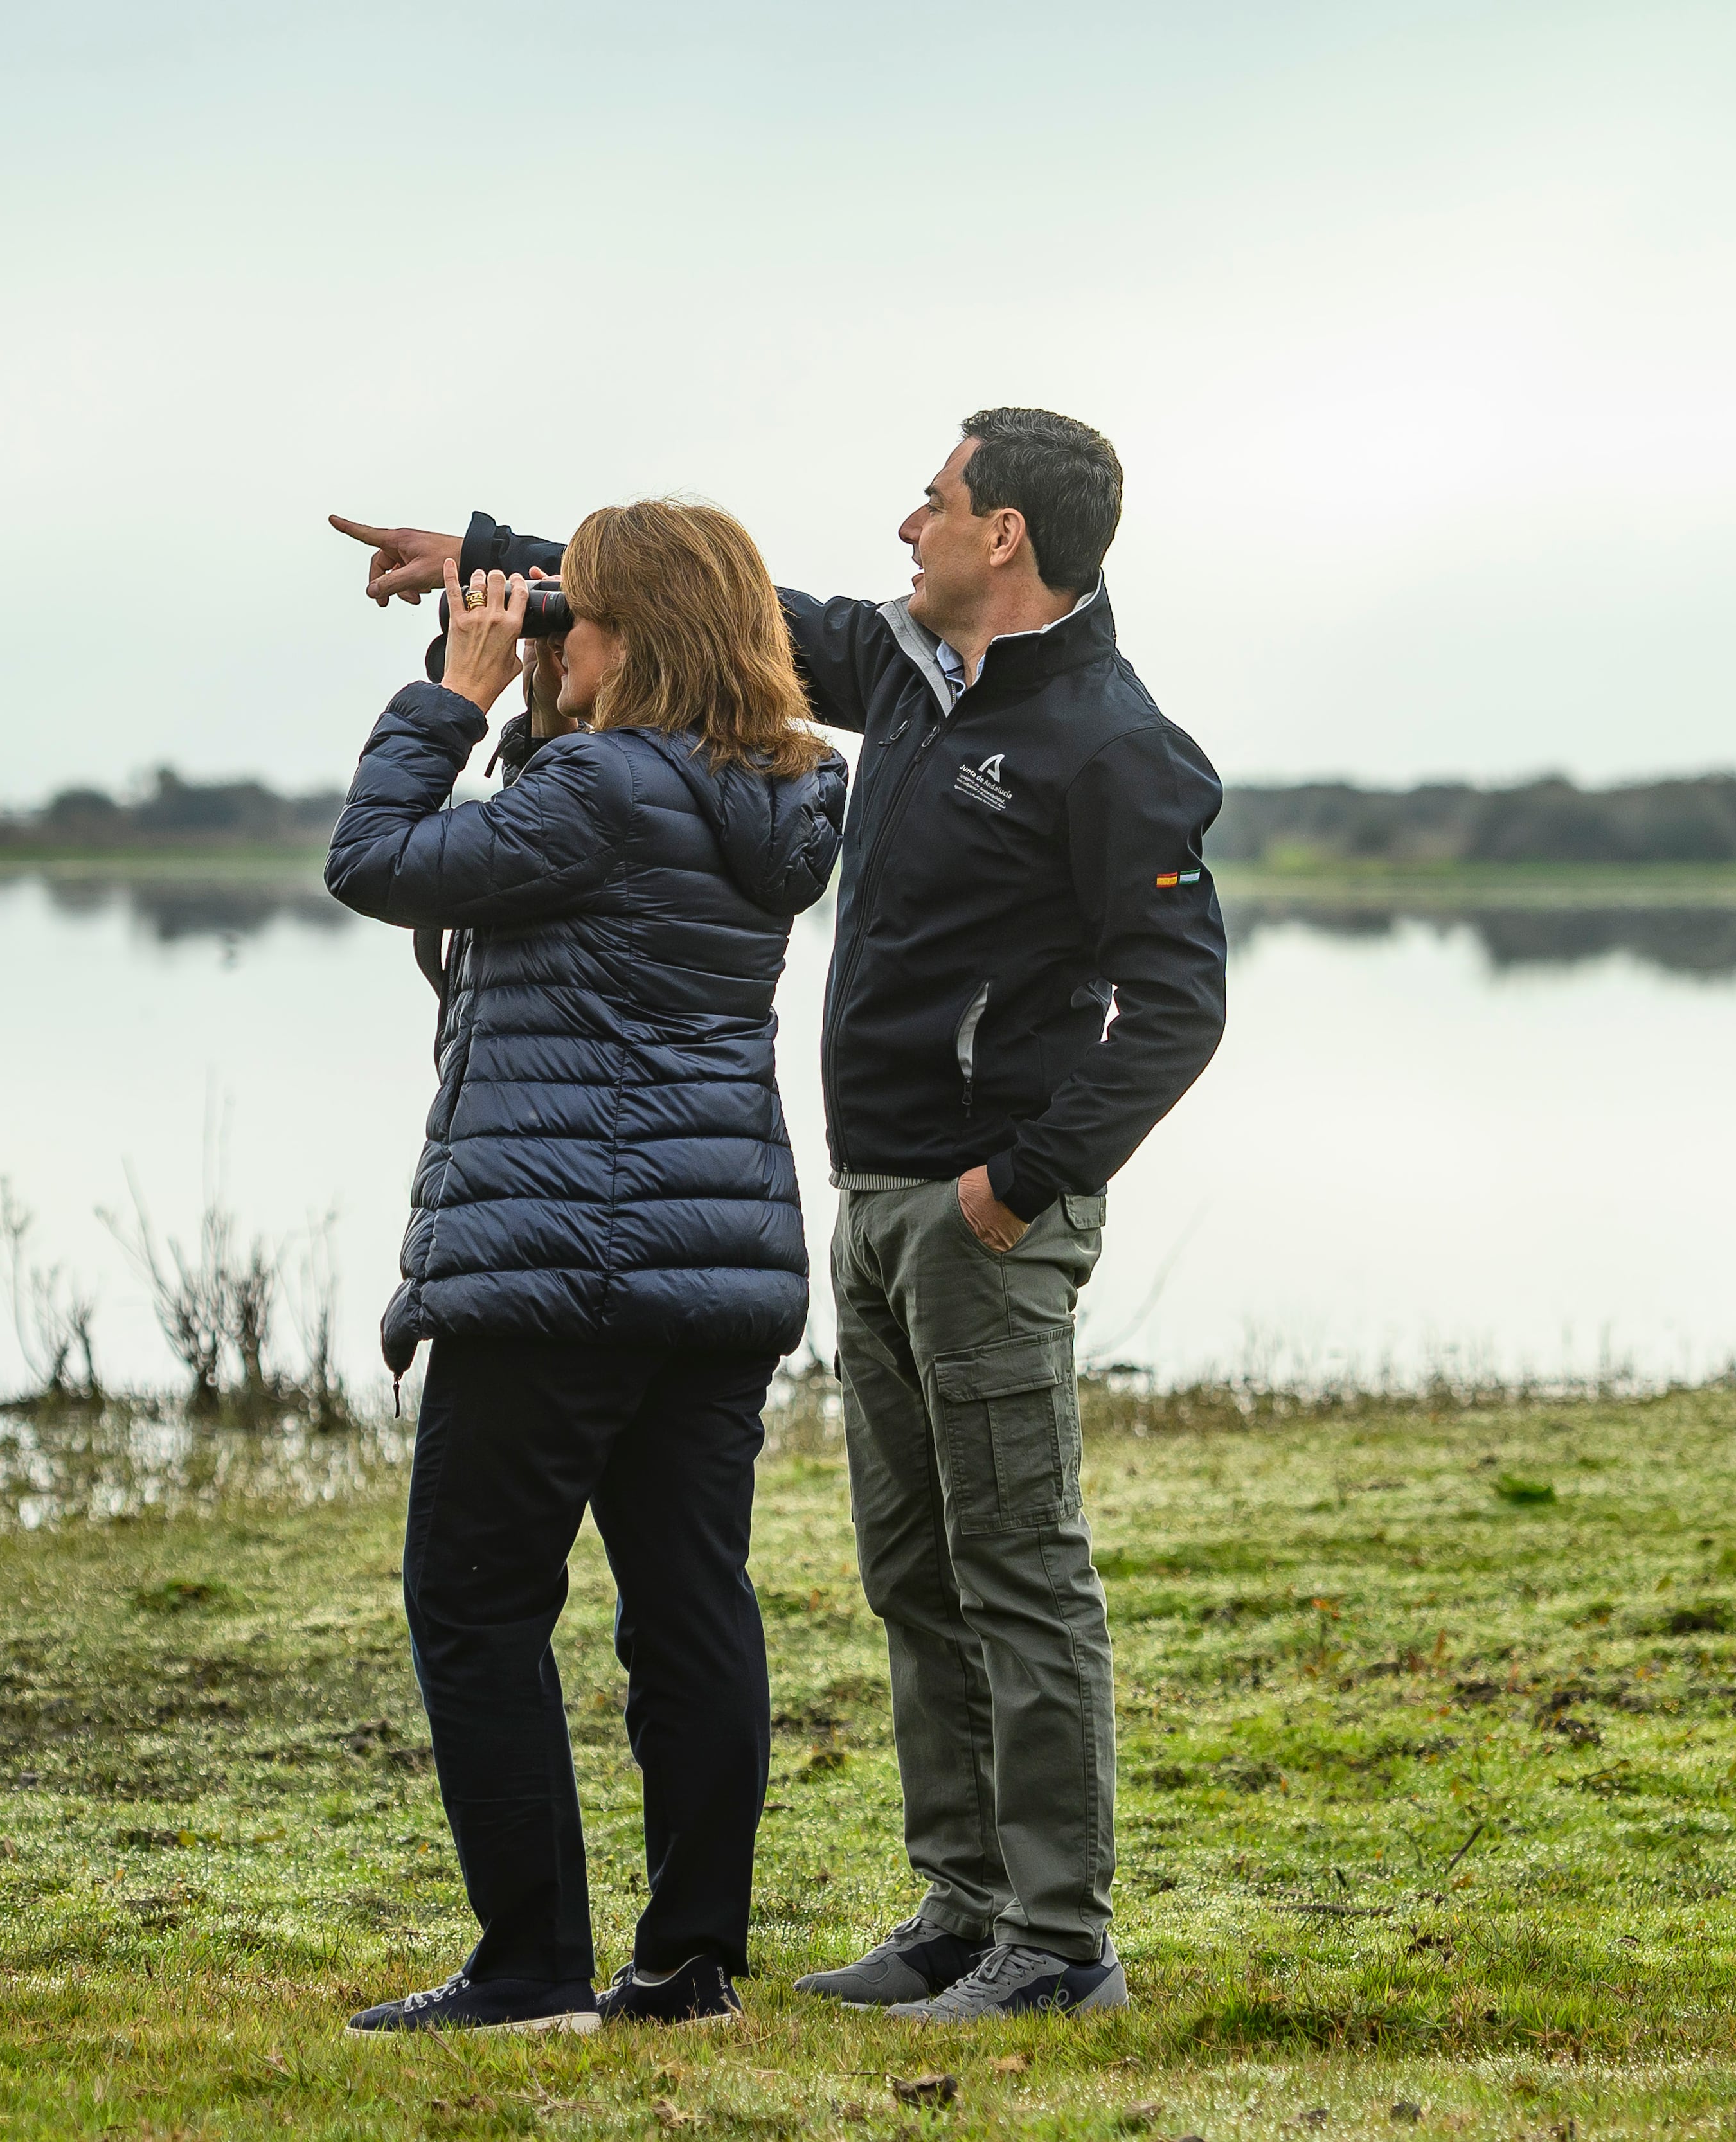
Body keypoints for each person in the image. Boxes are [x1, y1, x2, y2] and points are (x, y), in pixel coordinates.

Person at [330, 408, 1228, 2021]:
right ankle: (959, 1908)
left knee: (1016, 1564)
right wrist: (495, 564)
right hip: (844, 1200)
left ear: (1006, 532)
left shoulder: (1112, 739)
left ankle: (1058, 1939)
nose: (905, 524)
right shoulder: (892, 686)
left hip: (976, 1208)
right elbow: (715, 618)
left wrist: (1021, 1179)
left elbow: (1172, 1006)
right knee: (906, 1569)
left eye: (935, 498)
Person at [322, 499, 848, 2037]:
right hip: (714, 1263)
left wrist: (450, 696)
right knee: (688, 1609)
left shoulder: (602, 786)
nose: (557, 631)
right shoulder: (776, 785)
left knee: (474, 1601)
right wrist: (542, 676)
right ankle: (686, 1966)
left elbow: (375, 858)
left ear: (636, 635)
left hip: (556, 1257)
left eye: (578, 614)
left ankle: (530, 1966)